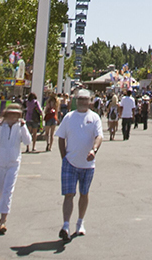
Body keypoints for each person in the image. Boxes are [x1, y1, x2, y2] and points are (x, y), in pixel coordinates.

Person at [56, 89, 103, 241]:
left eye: (86, 99)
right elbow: (61, 137)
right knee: (69, 195)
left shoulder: (94, 117)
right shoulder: (69, 117)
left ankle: (80, 222)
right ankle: (65, 225)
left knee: (84, 193)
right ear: (76, 100)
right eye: (80, 99)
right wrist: (64, 157)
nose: (83, 101)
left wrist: (94, 150)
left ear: (90, 101)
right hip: (70, 163)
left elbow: (99, 136)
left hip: (88, 165)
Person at [0, 102, 32, 234]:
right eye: (11, 114)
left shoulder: (20, 127)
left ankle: (3, 219)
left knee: (8, 190)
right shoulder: (2, 126)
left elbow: (27, 141)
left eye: (15, 114)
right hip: (0, 161)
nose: (13, 117)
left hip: (14, 161)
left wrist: (24, 128)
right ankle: (1, 211)